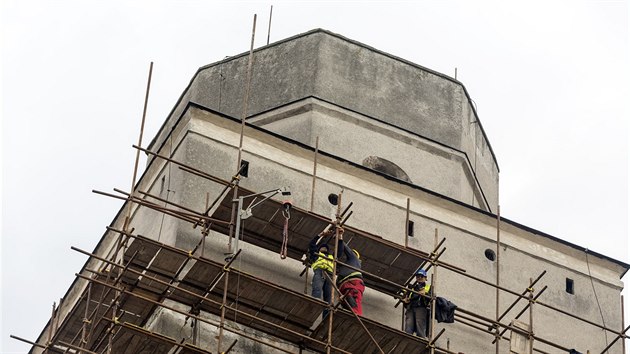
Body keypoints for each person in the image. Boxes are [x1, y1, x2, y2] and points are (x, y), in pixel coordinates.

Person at [336, 230, 365, 315]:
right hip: (345, 285)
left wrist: (339, 237)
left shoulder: (354, 259)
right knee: (347, 302)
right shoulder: (346, 266)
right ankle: (353, 314)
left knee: (355, 299)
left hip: (352, 283)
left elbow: (346, 250)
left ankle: (357, 315)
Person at [308, 230, 334, 316]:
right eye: (322, 247)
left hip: (330, 275)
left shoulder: (331, 257)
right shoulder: (316, 254)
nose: (324, 248)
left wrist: (339, 238)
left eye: (326, 247)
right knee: (317, 288)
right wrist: (320, 235)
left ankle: (327, 314)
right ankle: (315, 303)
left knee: (328, 296)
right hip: (320, 271)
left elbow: (340, 251)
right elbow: (312, 244)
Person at [403, 269, 432, 338]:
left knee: (420, 325)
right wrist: (405, 301)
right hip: (411, 308)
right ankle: (407, 338)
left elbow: (432, 298)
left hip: (421, 308)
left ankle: (421, 339)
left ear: (425, 278)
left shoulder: (428, 287)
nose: (419, 278)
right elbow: (406, 298)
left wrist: (425, 293)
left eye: (421, 276)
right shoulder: (412, 287)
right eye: (418, 276)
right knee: (408, 326)